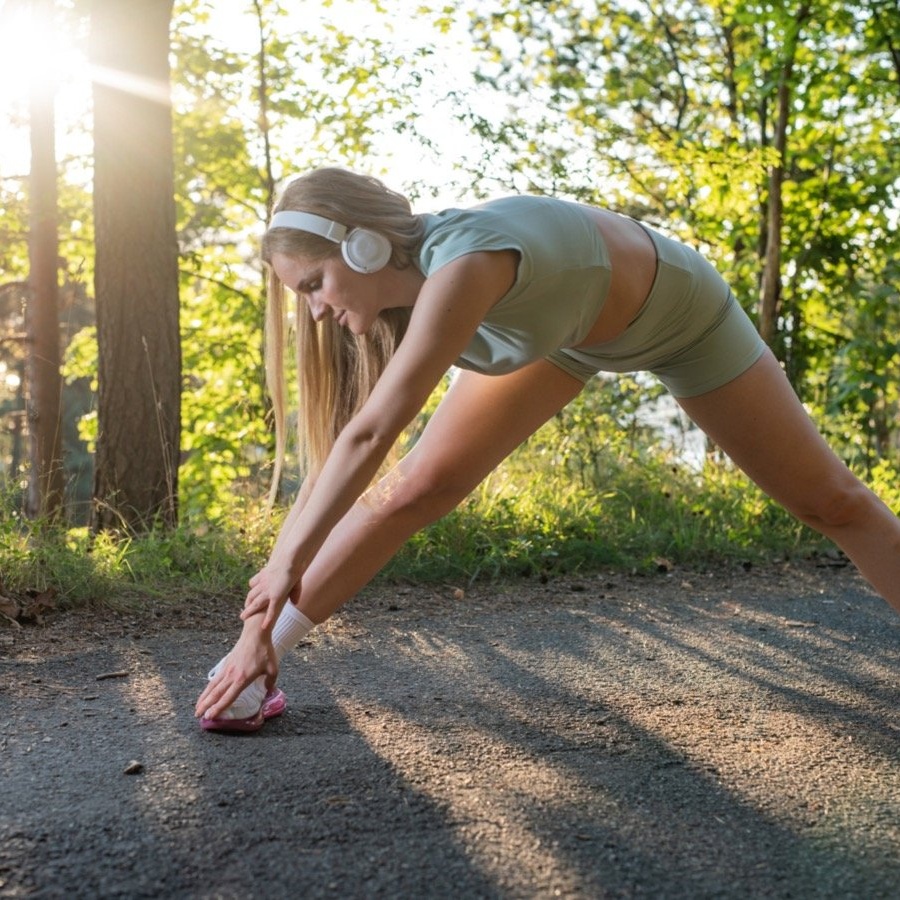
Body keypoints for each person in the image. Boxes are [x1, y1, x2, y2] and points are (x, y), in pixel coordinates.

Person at [195, 167, 900, 732]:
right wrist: (257, 629)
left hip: (682, 319)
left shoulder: (467, 262)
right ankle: (254, 667)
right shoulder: (415, 298)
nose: (316, 310)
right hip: (570, 335)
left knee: (831, 502)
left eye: (315, 283)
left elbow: (372, 433)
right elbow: (346, 463)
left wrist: (283, 562)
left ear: (365, 246)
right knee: (416, 489)